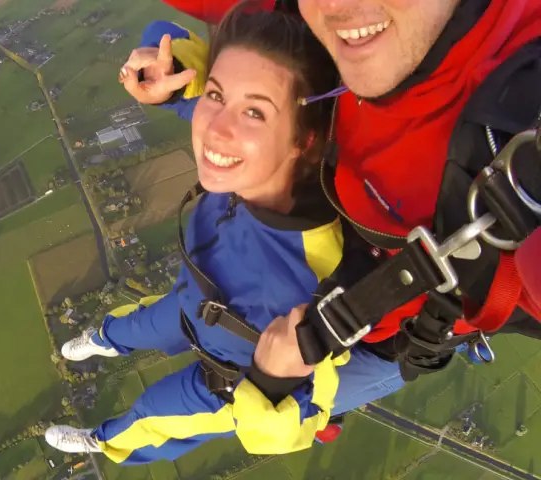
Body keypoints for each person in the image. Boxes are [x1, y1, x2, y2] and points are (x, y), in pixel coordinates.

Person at [43, 9, 405, 465]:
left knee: (151, 418)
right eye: (216, 95)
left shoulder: (320, 274)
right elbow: (170, 42)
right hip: (190, 302)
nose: (215, 128)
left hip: (230, 379)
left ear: (305, 141)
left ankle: (101, 440)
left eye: (254, 111)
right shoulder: (259, 155)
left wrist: (271, 382)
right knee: (132, 325)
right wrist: (172, 69)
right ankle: (102, 338)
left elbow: (294, 422)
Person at [129, 0, 541, 389]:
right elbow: (252, 42)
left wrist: (277, 396)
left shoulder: (519, 132)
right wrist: (183, 72)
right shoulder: (329, 25)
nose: (334, 7)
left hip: (370, 339)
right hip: (319, 296)